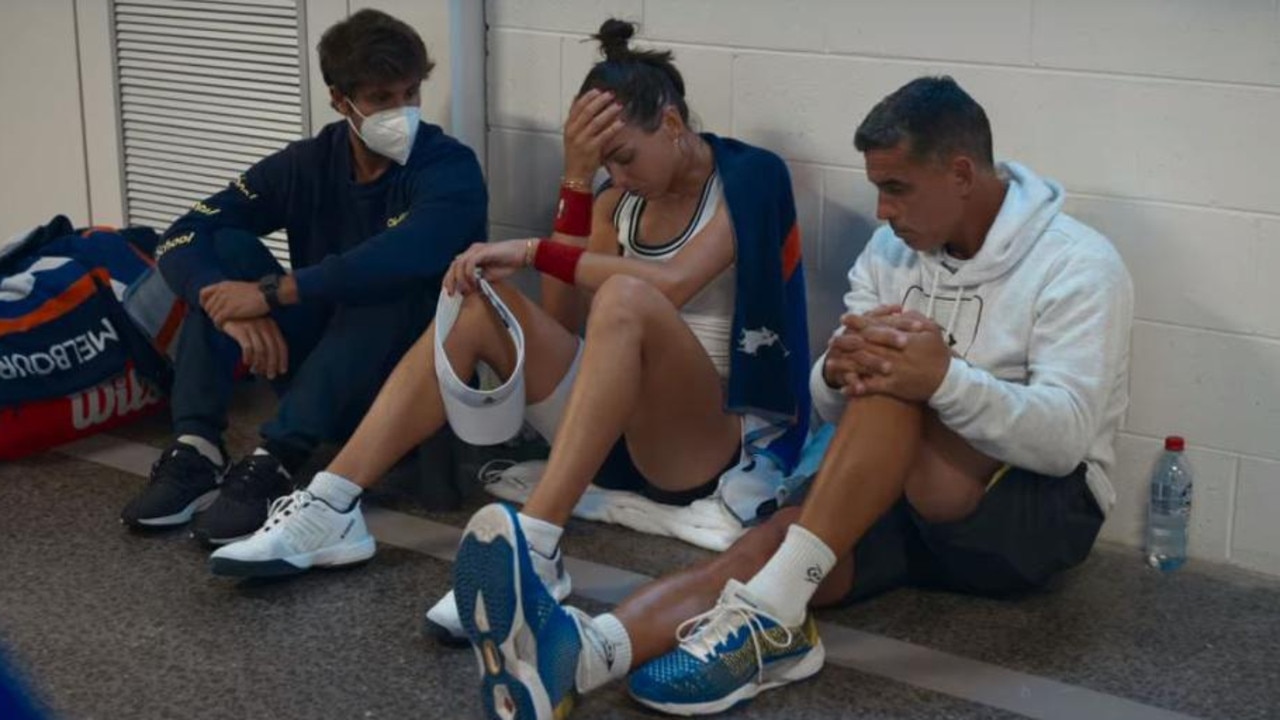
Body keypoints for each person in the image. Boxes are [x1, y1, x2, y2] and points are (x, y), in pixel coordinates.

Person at [453, 75, 1134, 719]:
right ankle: (582, 655)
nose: (881, 211)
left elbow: (1066, 439)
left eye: (896, 189)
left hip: (1027, 516)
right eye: (877, 190)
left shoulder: (1077, 263)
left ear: (960, 173)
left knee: (895, 379)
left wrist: (943, 380)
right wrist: (833, 373)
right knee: (768, 548)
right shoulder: (889, 253)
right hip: (895, 497)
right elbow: (830, 406)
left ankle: (773, 617)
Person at [205, 16, 812, 646]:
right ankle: (331, 505)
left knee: (627, 294)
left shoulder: (750, 176)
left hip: (697, 441)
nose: (621, 177)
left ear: (675, 125)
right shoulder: (615, 201)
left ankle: (536, 549)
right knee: (475, 300)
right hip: (612, 427)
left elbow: (672, 284)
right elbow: (560, 321)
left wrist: (532, 249)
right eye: (606, 164)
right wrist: (576, 181)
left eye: (625, 157)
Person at [119, 9, 487, 546]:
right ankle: (196, 449)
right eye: (383, 98)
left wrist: (273, 293)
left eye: (411, 93)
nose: (403, 111)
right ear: (342, 102)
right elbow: (184, 232)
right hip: (322, 370)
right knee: (224, 252)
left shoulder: (449, 166)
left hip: (406, 388)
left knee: (386, 283)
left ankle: (278, 460)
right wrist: (222, 303)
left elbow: (406, 254)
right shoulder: (307, 163)